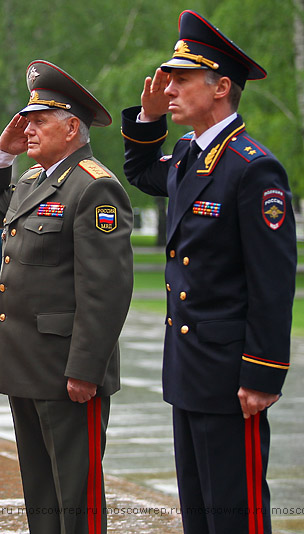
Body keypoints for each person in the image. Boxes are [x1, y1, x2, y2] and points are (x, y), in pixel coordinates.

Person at [121, 11, 296, 534]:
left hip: (229, 374)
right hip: (189, 368)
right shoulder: (187, 157)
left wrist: (263, 372)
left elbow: (273, 280)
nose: (168, 88)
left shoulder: (251, 166)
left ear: (221, 87)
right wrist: (149, 119)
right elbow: (140, 172)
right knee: (199, 511)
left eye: (181, 80)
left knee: (235, 513)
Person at [0, 60, 133, 534]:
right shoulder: (31, 181)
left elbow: (105, 291)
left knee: (76, 496)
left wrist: (85, 369)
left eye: (39, 121)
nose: (28, 128)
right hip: (26, 364)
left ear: (71, 127)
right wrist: (2, 152)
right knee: (41, 493)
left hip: (67, 370)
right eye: (26, 120)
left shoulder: (93, 186)